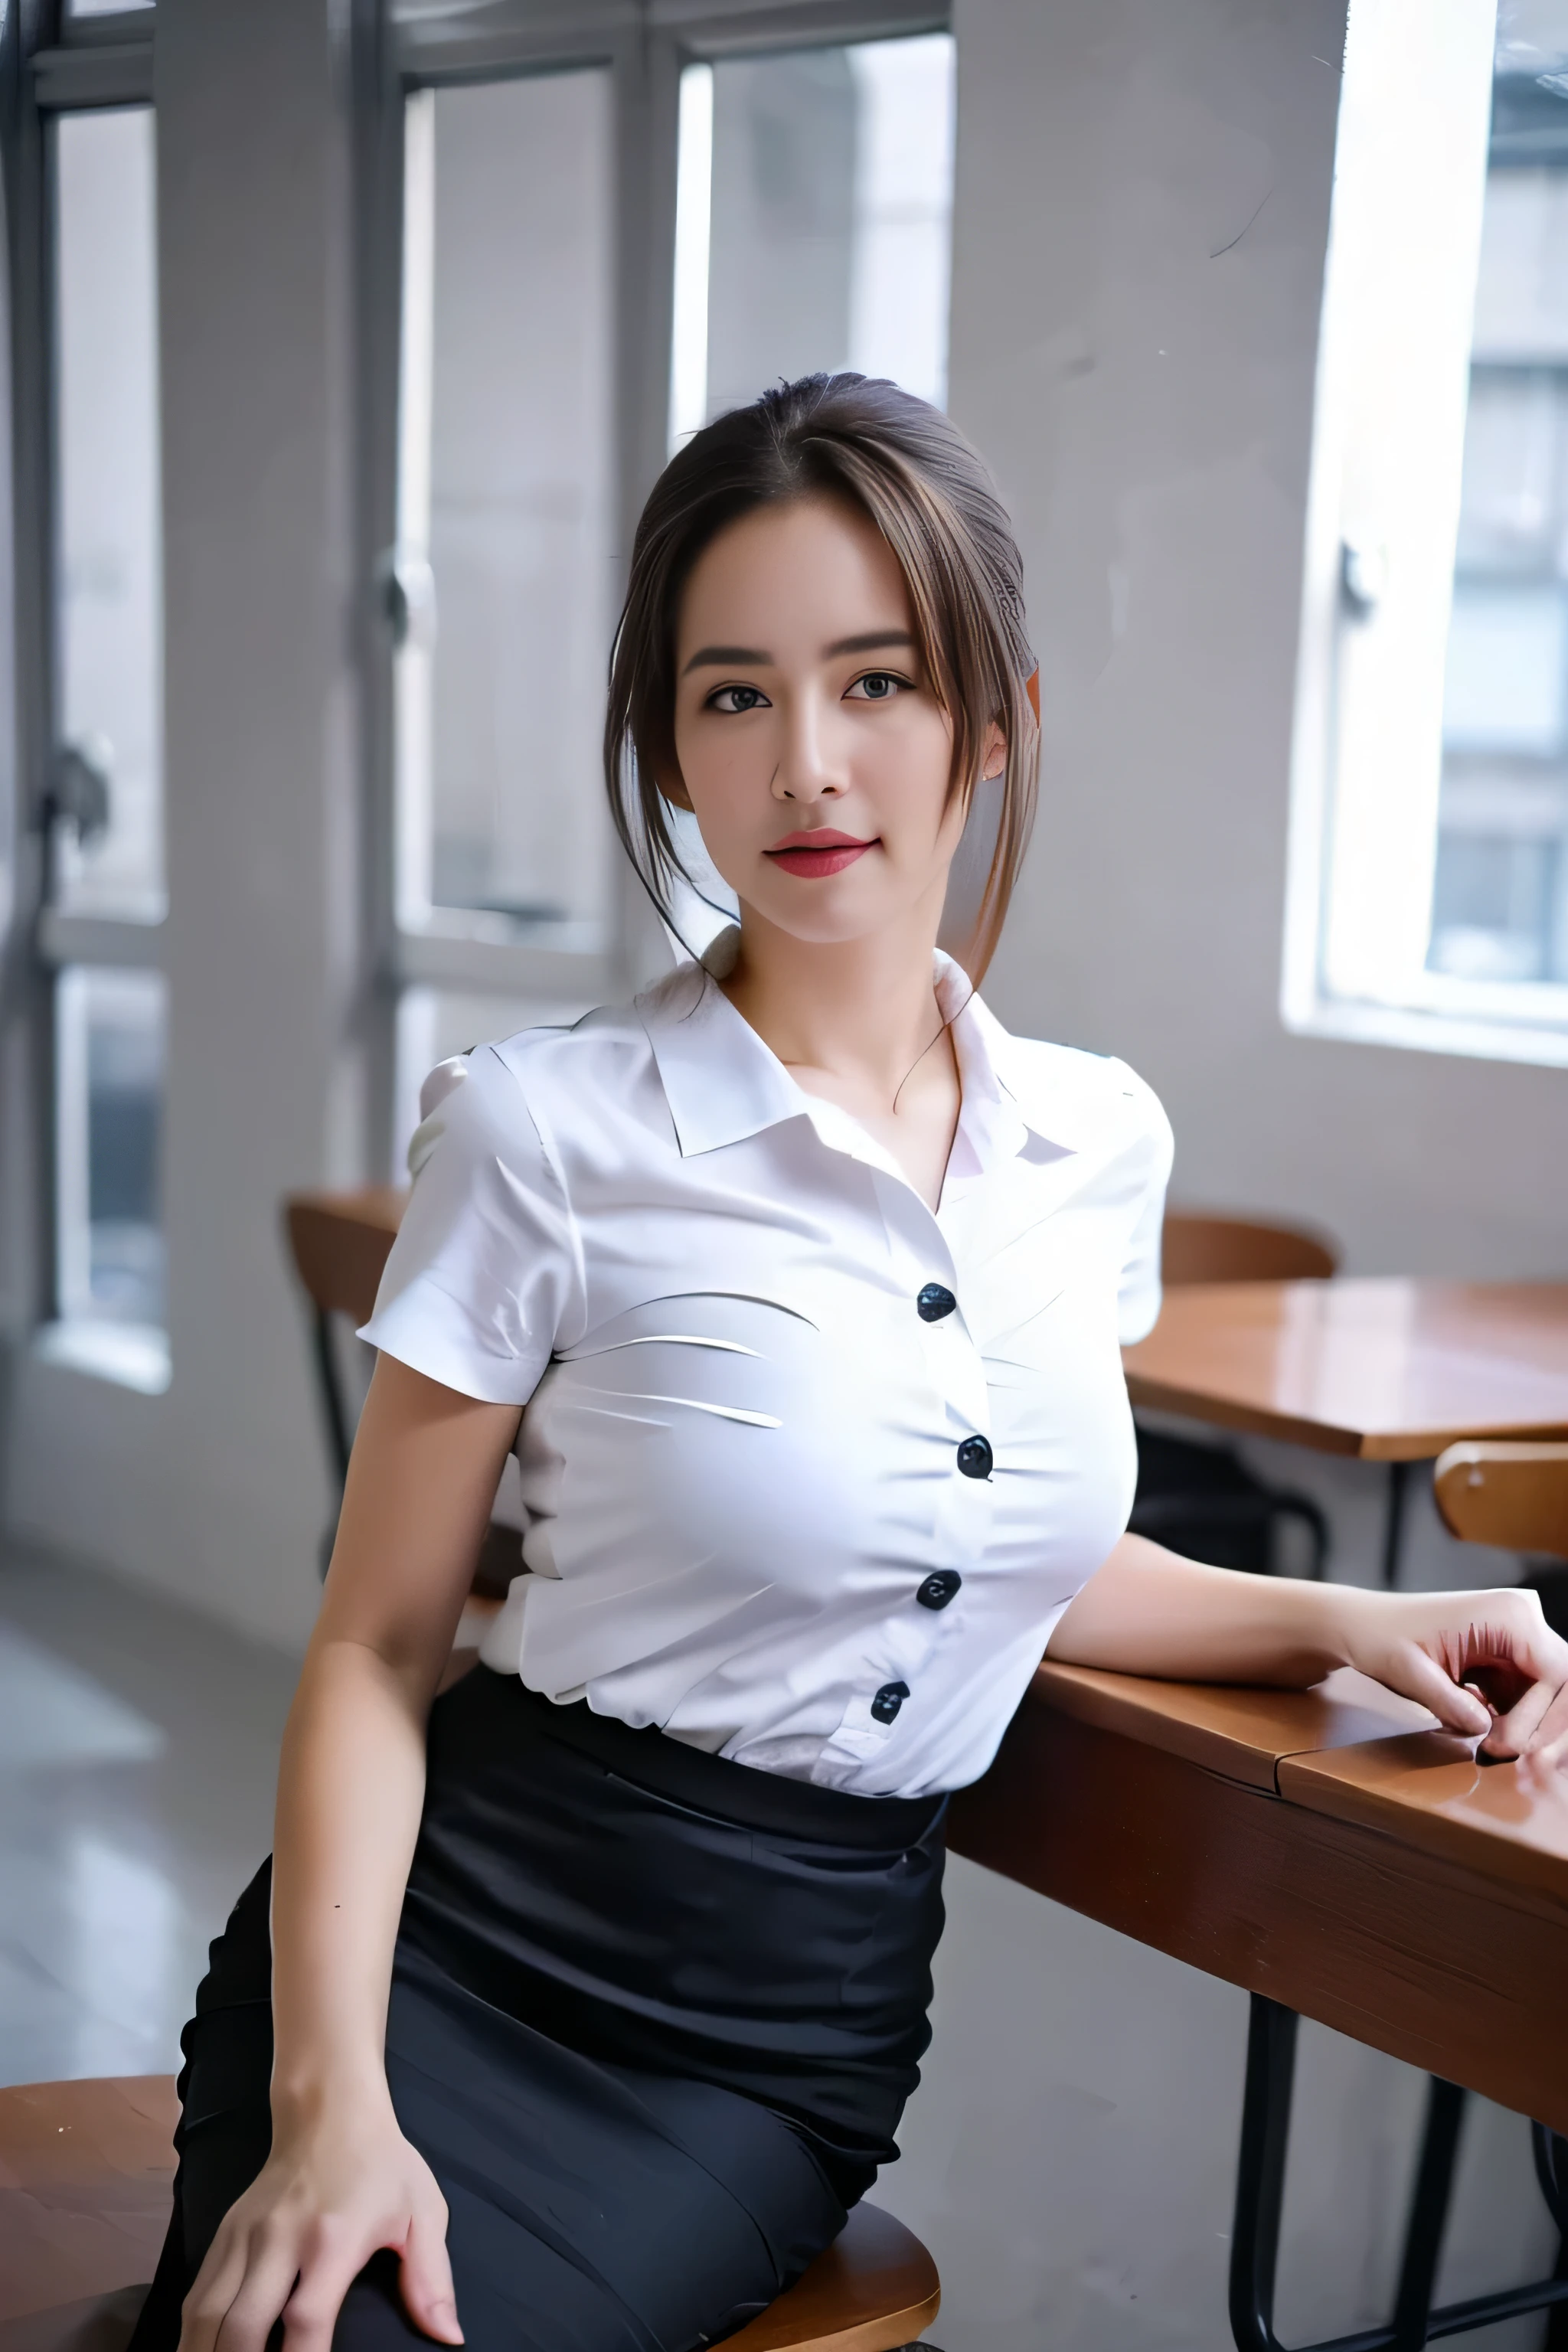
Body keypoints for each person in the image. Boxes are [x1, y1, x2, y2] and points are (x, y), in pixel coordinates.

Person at [132, 374, 1568, 2352]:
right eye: (734, 696)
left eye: (876, 681)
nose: (808, 762)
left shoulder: (1094, 1144)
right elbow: (375, 1646)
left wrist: (1351, 1617)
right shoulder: (545, 1132)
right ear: (670, 751)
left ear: (994, 720)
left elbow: (1000, 1556)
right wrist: (331, 2112)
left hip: (775, 2039)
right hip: (458, 1954)